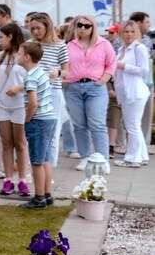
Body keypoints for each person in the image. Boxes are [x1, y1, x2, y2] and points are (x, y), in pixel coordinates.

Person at [65, 14, 116, 170]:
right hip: (73, 88)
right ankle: (85, 157)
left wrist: (102, 80)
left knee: (97, 124)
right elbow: (63, 66)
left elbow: (111, 64)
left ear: (93, 27)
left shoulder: (103, 44)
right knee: (79, 125)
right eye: (80, 25)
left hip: (95, 87)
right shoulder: (70, 45)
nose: (82, 28)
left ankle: (103, 159)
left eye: (87, 26)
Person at [0, 23, 31, 196]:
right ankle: (8, 180)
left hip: (19, 105)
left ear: (10, 36)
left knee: (21, 143)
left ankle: (22, 180)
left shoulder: (24, 56)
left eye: (1, 37)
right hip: (2, 105)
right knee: (6, 143)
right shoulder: (0, 56)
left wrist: (19, 88)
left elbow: (33, 78)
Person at [16, 42, 56, 209]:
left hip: (38, 120)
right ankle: (47, 194)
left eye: (19, 53)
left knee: (36, 161)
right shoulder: (41, 73)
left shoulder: (30, 76)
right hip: (50, 118)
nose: (17, 56)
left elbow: (33, 102)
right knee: (45, 158)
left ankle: (38, 197)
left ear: (27, 57)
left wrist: (27, 119)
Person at [27, 12, 69, 167]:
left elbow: (66, 71)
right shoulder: (30, 44)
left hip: (53, 92)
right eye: (32, 29)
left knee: (52, 133)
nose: (35, 32)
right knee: (34, 133)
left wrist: (58, 73)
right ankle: (36, 169)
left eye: (38, 28)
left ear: (47, 26)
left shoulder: (60, 45)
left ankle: (49, 170)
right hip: (33, 92)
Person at [113, 20, 149, 167]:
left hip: (135, 91)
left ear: (137, 33)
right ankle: (142, 155)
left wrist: (124, 66)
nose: (129, 34)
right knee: (133, 125)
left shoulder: (139, 48)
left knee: (132, 125)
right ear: (122, 33)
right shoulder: (121, 48)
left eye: (132, 31)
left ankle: (132, 158)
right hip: (125, 92)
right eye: (126, 31)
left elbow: (144, 70)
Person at [127, 11, 153, 151]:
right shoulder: (123, 42)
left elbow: (147, 64)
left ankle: (143, 146)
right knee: (132, 121)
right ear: (138, 23)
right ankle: (133, 148)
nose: (149, 25)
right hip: (131, 85)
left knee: (144, 118)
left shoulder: (147, 40)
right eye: (147, 22)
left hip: (147, 84)